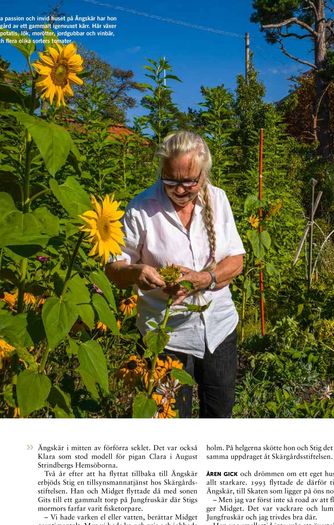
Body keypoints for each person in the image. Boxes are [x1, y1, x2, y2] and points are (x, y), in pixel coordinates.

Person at [105, 131, 246, 418]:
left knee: (219, 414)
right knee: (170, 418)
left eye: (189, 182)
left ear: (203, 175)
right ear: (162, 172)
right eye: (171, 181)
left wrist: (205, 278)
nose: (180, 190)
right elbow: (113, 268)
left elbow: (236, 261)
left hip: (218, 328)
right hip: (166, 336)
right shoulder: (141, 209)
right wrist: (137, 271)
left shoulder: (218, 200)